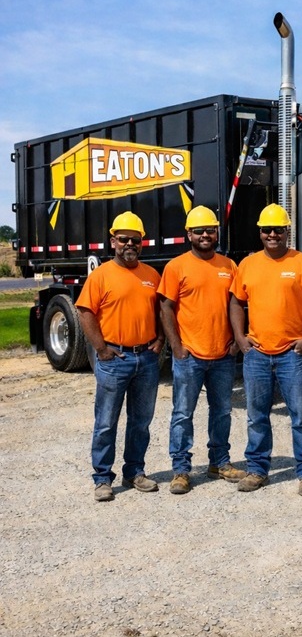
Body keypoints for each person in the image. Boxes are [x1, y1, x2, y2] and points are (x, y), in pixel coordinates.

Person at [229, 203, 302, 496]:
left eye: (278, 230)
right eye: (267, 230)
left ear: (287, 232)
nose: (273, 235)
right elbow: (236, 302)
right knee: (257, 415)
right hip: (257, 354)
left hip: (292, 355)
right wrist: (241, 338)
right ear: (260, 233)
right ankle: (257, 469)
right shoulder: (248, 265)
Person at [76, 211, 164, 502]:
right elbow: (85, 312)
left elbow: (160, 312)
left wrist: (161, 338)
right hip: (115, 359)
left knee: (140, 421)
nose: (129, 244)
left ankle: (135, 472)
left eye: (135, 240)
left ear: (142, 243)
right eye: (123, 239)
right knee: (106, 422)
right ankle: (102, 478)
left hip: (147, 359)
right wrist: (101, 348)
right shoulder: (101, 275)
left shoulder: (151, 275)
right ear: (113, 241)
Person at [158, 205, 245, 495]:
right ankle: (181, 469)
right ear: (189, 235)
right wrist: (176, 346)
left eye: (210, 230)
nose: (205, 235)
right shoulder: (176, 267)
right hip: (190, 356)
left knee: (221, 411)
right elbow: (166, 307)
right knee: (183, 413)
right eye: (199, 231)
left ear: (217, 232)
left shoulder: (229, 266)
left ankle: (219, 462)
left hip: (222, 355)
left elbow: (238, 305)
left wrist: (236, 339)